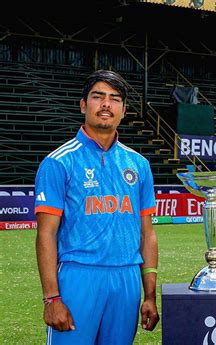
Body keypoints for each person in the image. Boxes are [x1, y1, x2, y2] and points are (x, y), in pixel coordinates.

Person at [35, 69, 159, 344]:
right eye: (98, 96)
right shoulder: (58, 162)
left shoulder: (139, 165)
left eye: (115, 99)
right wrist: (52, 298)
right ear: (83, 105)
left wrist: (149, 295)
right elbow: (46, 234)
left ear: (124, 110)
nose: (106, 104)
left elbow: (147, 233)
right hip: (79, 276)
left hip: (126, 278)